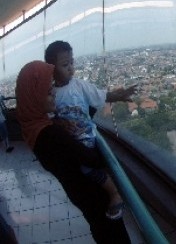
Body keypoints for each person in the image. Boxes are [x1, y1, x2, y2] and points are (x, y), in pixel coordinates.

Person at [15, 61, 131, 244]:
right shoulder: (50, 134)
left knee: (99, 230)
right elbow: (92, 159)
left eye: (51, 87)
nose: (53, 92)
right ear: (33, 96)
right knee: (112, 234)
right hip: (93, 195)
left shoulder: (35, 127)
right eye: (47, 91)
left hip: (80, 195)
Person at [44, 41, 137, 219]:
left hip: (85, 137)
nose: (71, 68)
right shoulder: (51, 95)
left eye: (72, 62)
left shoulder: (79, 85)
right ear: (51, 68)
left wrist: (119, 96)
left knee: (86, 169)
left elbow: (101, 95)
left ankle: (114, 193)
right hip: (69, 141)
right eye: (65, 65)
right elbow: (50, 118)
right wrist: (60, 124)